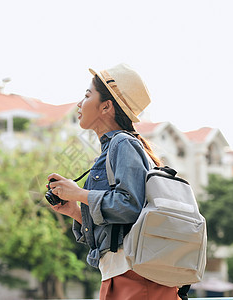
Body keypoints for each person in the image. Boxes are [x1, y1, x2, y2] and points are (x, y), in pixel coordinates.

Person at [47, 63, 181, 300]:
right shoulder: (113, 149)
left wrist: (79, 193)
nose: (80, 103)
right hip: (121, 275)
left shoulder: (122, 143)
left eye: (88, 95)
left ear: (106, 106)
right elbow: (119, 225)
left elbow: (129, 206)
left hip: (135, 278)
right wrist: (76, 211)